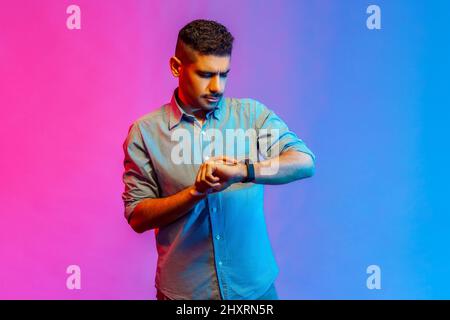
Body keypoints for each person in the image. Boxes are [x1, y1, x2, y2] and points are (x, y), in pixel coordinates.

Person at [121, 19, 315, 300]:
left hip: (255, 293)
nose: (217, 87)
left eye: (224, 74)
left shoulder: (251, 115)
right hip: (184, 295)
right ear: (177, 67)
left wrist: (243, 171)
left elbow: (303, 161)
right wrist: (194, 193)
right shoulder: (145, 132)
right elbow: (138, 217)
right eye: (205, 74)